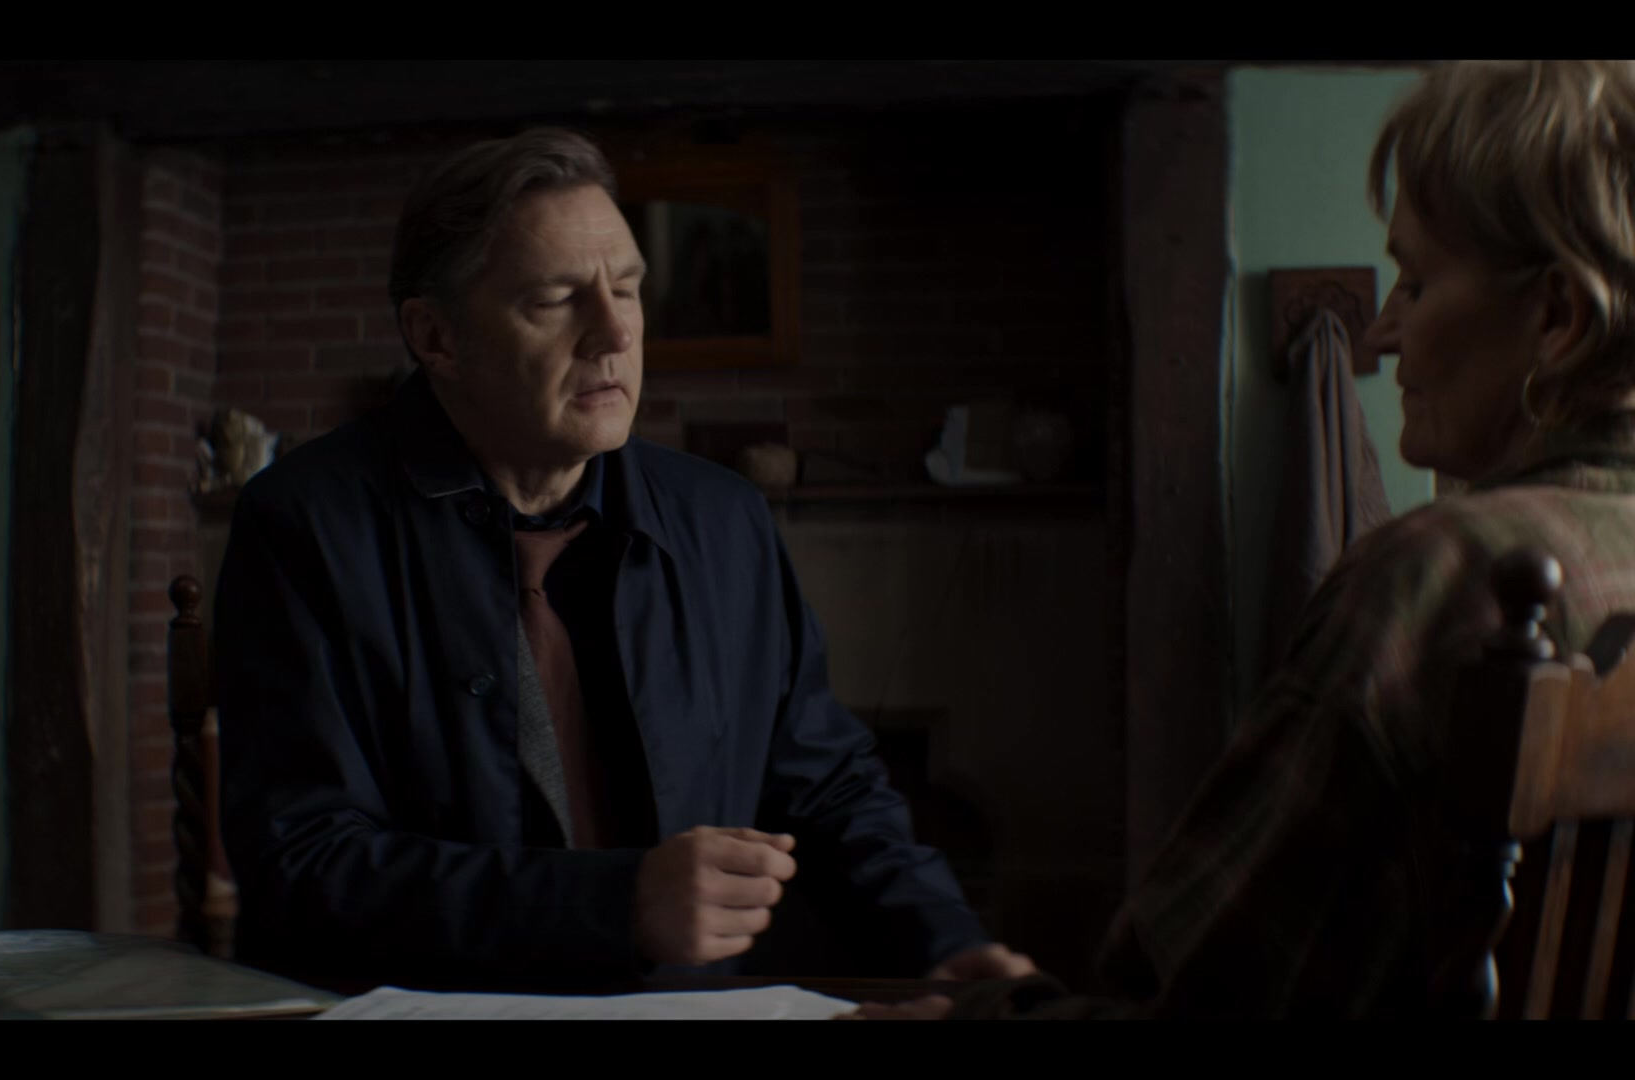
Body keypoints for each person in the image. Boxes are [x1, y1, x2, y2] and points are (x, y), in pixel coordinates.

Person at [852, 58, 1635, 1020]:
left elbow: (1203, 1009)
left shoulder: (1438, 579)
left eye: (1417, 282)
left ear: (1557, 316)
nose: (1382, 336)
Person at [214, 128, 1033, 986]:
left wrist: (944, 944)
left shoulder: (725, 520)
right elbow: (301, 862)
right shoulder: (304, 525)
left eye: (629, 288)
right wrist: (615, 904)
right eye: (556, 299)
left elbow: (828, 785)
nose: (613, 333)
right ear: (436, 337)